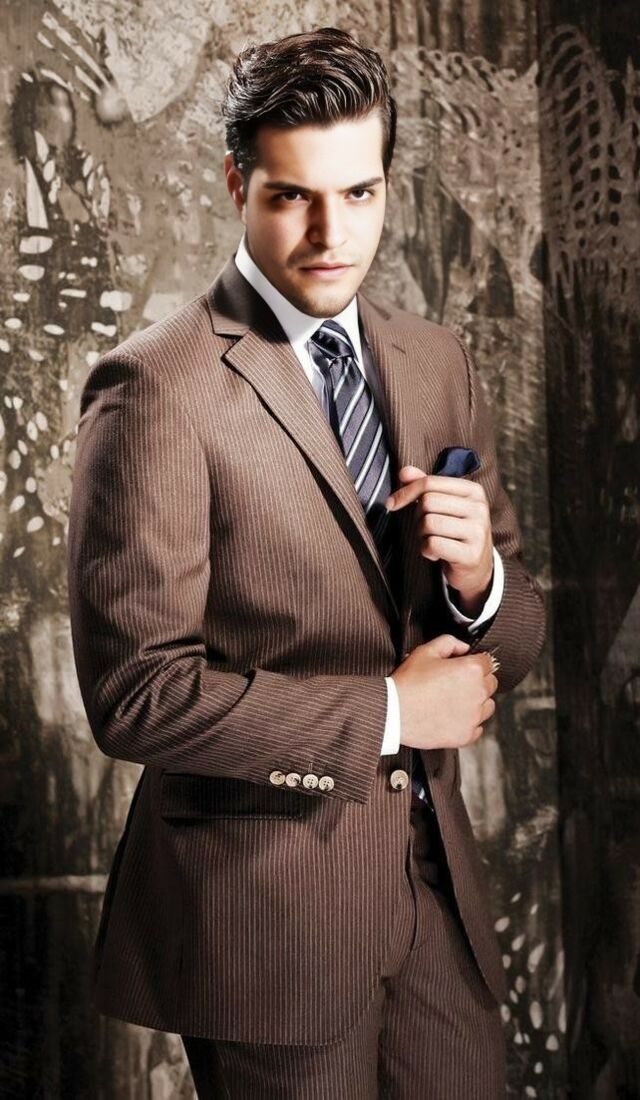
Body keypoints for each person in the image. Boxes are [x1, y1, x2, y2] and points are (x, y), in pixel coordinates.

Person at [67, 26, 545, 1099]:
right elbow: (134, 697)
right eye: (293, 197)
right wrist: (389, 712)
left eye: (360, 194)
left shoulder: (436, 360)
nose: (333, 235)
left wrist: (481, 581)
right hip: (269, 924)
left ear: (386, 186)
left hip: (437, 904)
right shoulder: (154, 388)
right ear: (237, 183)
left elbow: (512, 641)